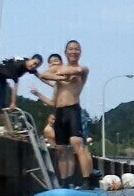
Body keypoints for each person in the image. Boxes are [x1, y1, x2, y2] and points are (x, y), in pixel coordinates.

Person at [39, 40, 95, 186]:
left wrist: (60, 73)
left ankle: (87, 180)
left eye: (77, 49)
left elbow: (77, 71)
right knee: (61, 148)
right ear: (65, 52)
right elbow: (44, 75)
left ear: (80, 52)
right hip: (59, 111)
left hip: (73, 109)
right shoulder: (59, 68)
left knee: (77, 143)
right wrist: (60, 77)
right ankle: (65, 182)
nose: (73, 52)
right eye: (71, 49)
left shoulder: (83, 69)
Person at [0, 54, 43, 134]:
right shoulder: (18, 65)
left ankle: (8, 129)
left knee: (2, 105)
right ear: (30, 59)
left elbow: (41, 77)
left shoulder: (29, 66)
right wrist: (13, 102)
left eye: (37, 66)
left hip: (3, 78)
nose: (34, 66)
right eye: (34, 63)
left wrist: (53, 84)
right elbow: (15, 86)